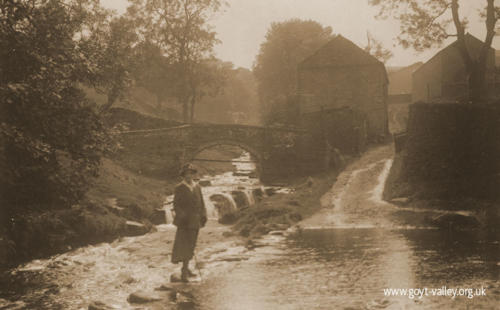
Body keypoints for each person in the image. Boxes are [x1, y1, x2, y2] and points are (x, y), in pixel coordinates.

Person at [171, 163, 207, 282]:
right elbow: (176, 205)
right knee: (184, 245)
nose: (189, 176)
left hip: (195, 221)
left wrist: (203, 216)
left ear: (193, 174)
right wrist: (182, 216)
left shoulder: (197, 187)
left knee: (192, 244)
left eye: (191, 173)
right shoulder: (180, 188)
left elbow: (202, 203)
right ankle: (184, 271)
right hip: (184, 222)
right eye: (186, 174)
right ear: (183, 175)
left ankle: (186, 268)